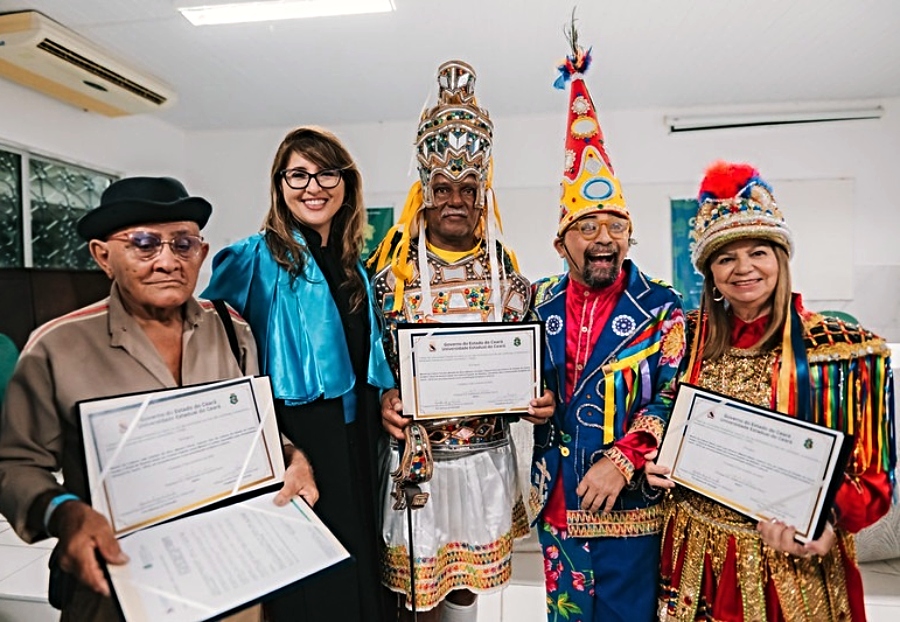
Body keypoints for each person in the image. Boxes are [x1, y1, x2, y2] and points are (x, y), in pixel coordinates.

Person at [0, 176, 316, 622]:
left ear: (202, 253)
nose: (167, 261)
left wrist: (292, 458)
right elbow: (14, 465)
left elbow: (257, 430)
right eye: (144, 244)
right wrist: (62, 512)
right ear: (103, 255)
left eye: (183, 244)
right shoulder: (57, 347)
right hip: (118, 588)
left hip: (232, 578)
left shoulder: (232, 331)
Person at [647, 161, 896, 622]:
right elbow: (656, 418)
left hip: (789, 570)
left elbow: (875, 476)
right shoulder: (685, 340)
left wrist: (825, 521)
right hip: (694, 563)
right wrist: (653, 462)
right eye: (725, 257)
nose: (744, 268)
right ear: (710, 273)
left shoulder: (840, 347)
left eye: (758, 251)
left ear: (781, 257)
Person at [368, 59, 555, 622]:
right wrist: (384, 401)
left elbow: (526, 373)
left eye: (467, 188)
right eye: (443, 188)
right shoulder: (389, 279)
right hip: (420, 462)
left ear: (483, 193)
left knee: (467, 591)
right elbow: (371, 367)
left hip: (482, 460)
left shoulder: (513, 281)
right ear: (424, 191)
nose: (455, 200)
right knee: (417, 596)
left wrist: (537, 402)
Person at [202, 126, 395, 622]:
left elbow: (366, 354)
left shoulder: (356, 266)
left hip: (358, 433)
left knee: (359, 557)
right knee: (311, 577)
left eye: (326, 173)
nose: (313, 186)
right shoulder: (251, 258)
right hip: (297, 433)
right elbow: (214, 352)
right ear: (279, 185)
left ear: (346, 184)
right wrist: (272, 443)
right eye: (298, 175)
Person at [527, 32, 686, 622]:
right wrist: (533, 403)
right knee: (566, 616)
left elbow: (675, 395)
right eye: (588, 226)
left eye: (615, 225)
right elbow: (527, 381)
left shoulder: (662, 307)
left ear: (629, 235)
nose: (603, 238)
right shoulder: (537, 304)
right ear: (561, 240)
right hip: (558, 499)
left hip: (632, 502)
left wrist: (624, 458)